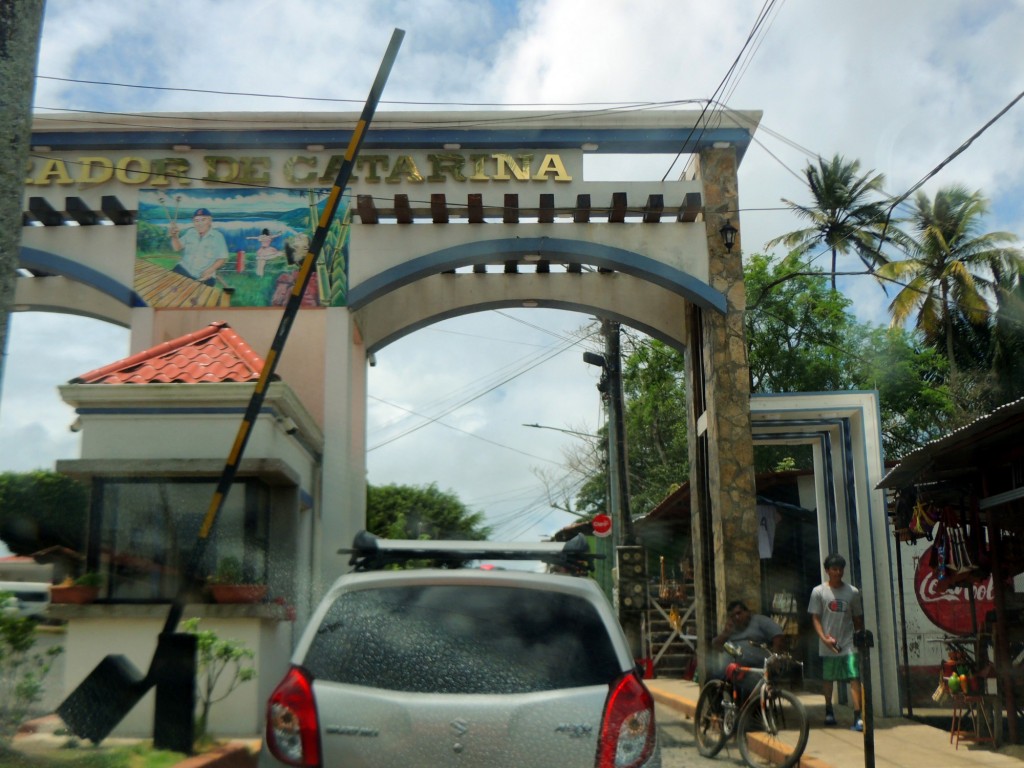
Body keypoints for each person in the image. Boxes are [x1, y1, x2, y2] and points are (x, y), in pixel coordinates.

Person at [808, 552, 865, 731]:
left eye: (840, 569)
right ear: (827, 571)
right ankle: (829, 711)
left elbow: (857, 618)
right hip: (828, 643)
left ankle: (858, 717)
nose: (838, 572)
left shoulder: (852, 592)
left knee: (854, 677)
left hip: (848, 643)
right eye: (834, 569)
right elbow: (815, 618)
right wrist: (824, 638)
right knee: (828, 679)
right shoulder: (818, 592)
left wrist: (860, 637)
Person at [711, 599, 785, 701]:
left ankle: (751, 714)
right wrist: (726, 633)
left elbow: (778, 636)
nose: (737, 617)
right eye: (733, 616)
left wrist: (775, 656)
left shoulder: (759, 621)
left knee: (749, 686)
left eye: (739, 613)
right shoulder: (731, 628)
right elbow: (716, 646)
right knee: (712, 680)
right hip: (732, 668)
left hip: (755, 668)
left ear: (748, 612)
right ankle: (716, 713)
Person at [169, 207, 229, 286]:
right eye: (196, 220)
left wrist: (211, 270)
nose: (200, 223)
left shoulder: (218, 236)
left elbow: (222, 258)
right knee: (165, 288)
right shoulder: (190, 232)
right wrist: (174, 236)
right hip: (183, 269)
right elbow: (177, 248)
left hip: (203, 277)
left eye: (203, 220)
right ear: (193, 222)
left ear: (210, 221)